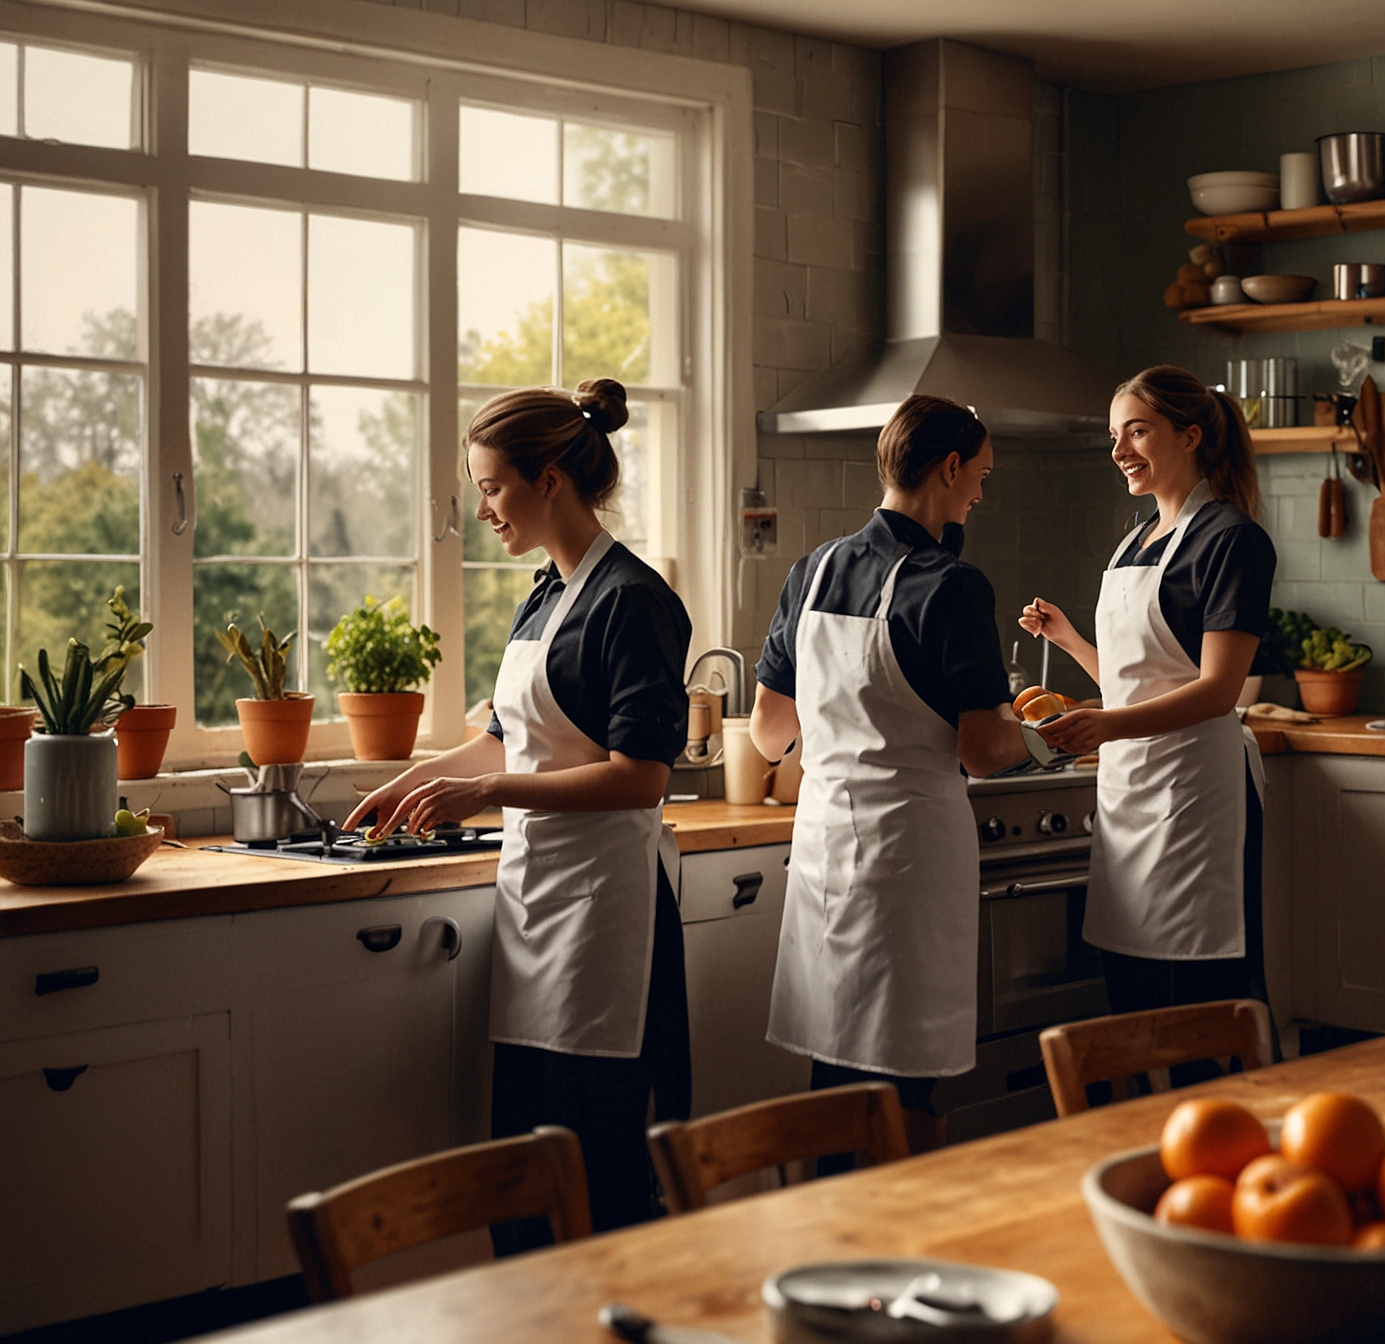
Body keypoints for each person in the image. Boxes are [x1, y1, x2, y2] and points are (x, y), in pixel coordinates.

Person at [345, 377, 691, 1239]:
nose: (484, 510)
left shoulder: (635, 603)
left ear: (548, 481)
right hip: (540, 913)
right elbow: (507, 737)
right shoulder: (545, 594)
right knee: (530, 1172)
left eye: (493, 488)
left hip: (610, 926)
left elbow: (640, 777)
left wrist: (487, 792)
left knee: (601, 1177)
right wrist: (414, 781)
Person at [750, 394, 1028, 1154]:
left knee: (834, 1066)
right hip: (907, 861)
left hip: (823, 853)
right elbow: (982, 749)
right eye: (981, 475)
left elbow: (768, 733)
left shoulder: (811, 570)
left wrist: (840, 730)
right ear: (948, 467)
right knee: (905, 1081)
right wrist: (1040, 737)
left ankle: (830, 1251)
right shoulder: (952, 585)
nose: (979, 491)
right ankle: (897, 1241)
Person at [1020, 366, 1277, 1067]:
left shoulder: (1231, 540)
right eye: (1114, 435)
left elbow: (1221, 690)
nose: (1119, 450)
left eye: (1137, 431)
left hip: (1196, 799)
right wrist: (1069, 640)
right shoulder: (1133, 539)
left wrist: (1105, 726)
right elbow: (1139, 684)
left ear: (1191, 436)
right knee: (1131, 990)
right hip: (1132, 795)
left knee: (1197, 1000)